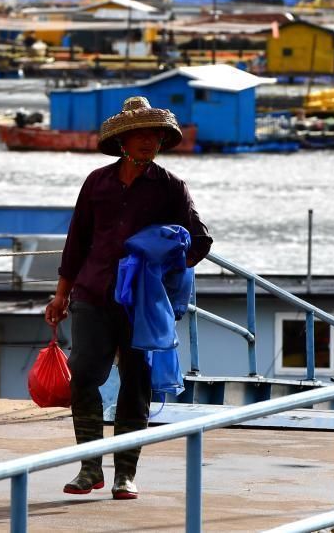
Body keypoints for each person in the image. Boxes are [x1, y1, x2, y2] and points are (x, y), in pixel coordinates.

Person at [44, 96, 212, 500]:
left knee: (136, 383)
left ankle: (124, 474)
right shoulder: (97, 183)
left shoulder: (171, 187)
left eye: (154, 135)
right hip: (92, 293)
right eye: (140, 135)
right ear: (122, 140)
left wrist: (166, 267)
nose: (148, 142)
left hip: (141, 303)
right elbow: (77, 242)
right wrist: (61, 294)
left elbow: (200, 241)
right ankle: (89, 468)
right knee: (84, 375)